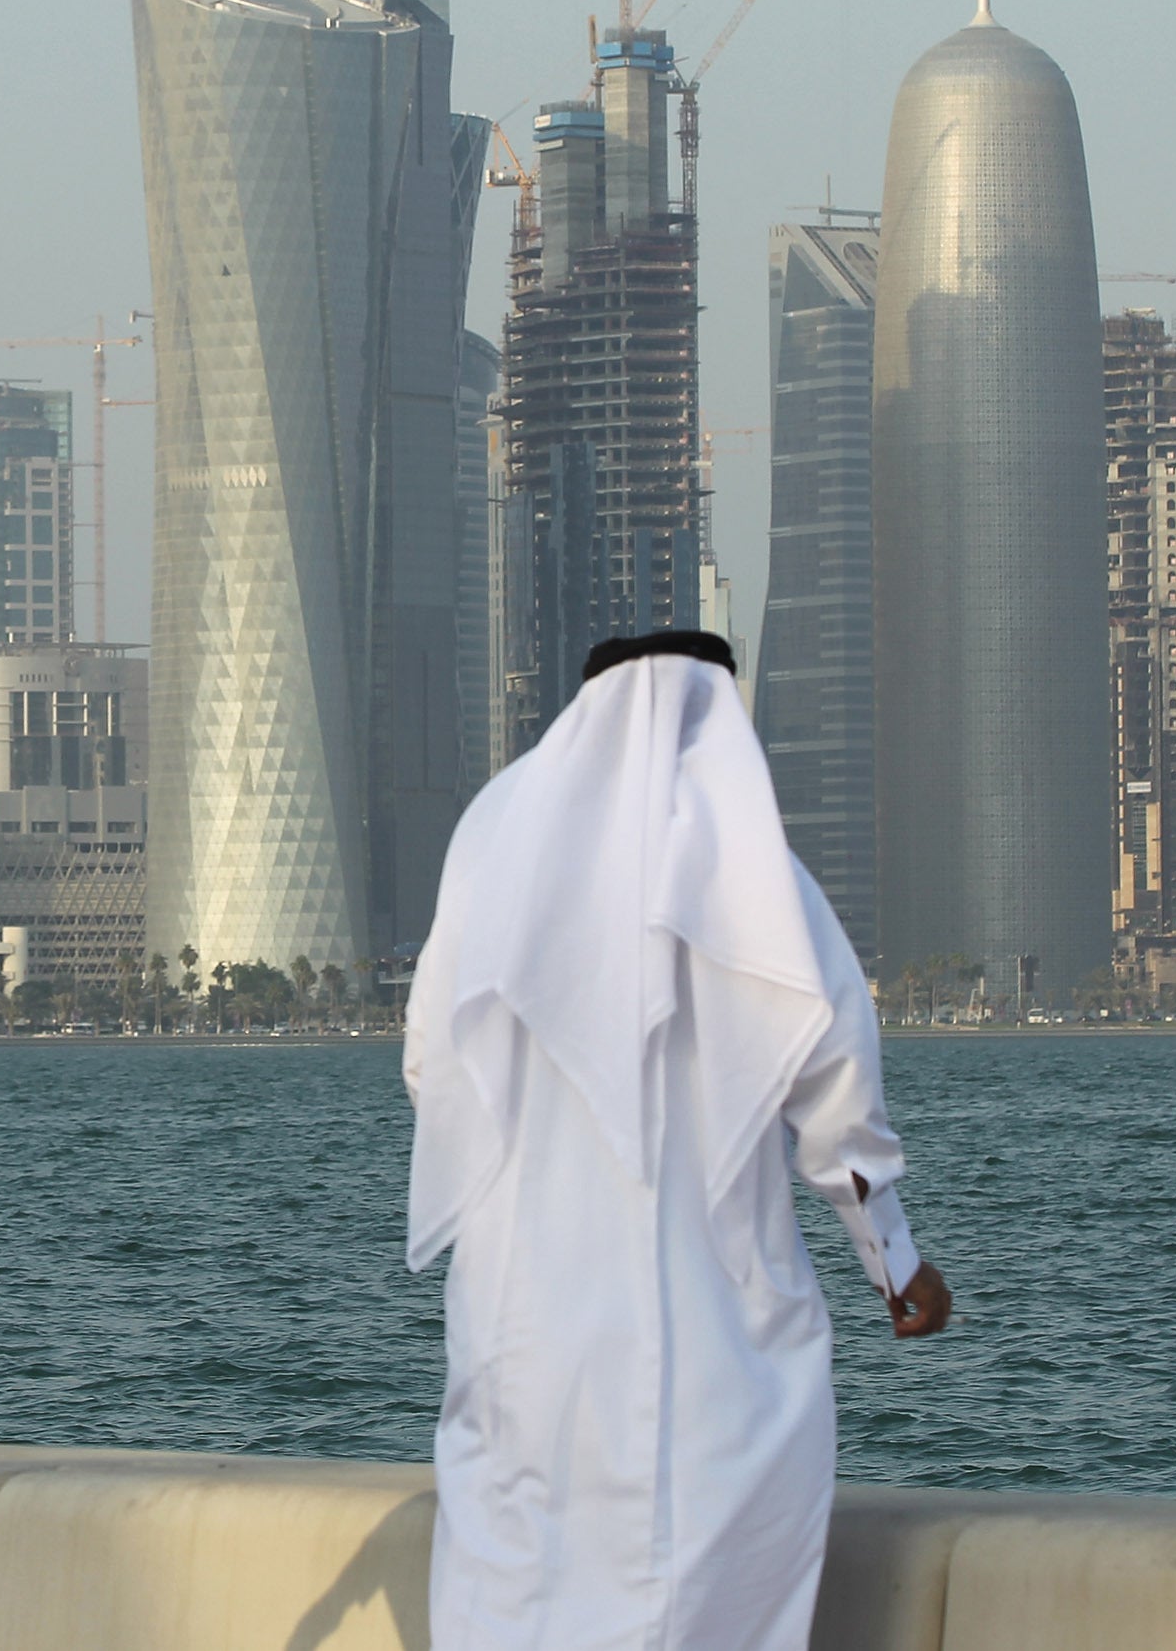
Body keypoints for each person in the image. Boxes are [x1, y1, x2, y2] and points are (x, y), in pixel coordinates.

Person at [406, 631, 952, 1651]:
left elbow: (431, 1067)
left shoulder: (493, 857)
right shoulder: (758, 880)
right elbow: (840, 1105)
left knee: (516, 1592)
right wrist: (898, 1264)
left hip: (526, 1336)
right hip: (715, 1345)